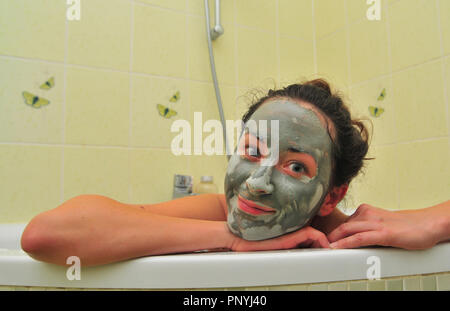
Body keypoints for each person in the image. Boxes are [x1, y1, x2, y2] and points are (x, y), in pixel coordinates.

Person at [20, 79, 450, 267]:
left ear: (333, 196)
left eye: (296, 166)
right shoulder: (219, 212)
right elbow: (47, 235)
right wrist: (227, 239)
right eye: (251, 151)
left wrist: (438, 219)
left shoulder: (357, 236)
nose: (256, 182)